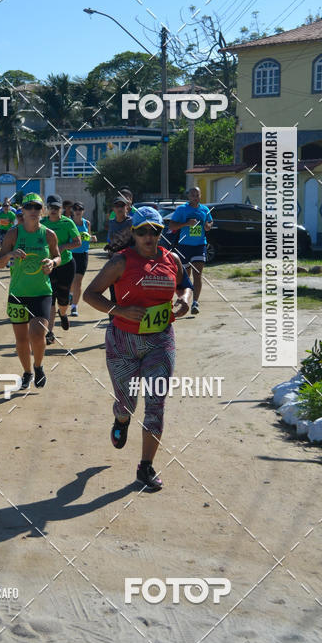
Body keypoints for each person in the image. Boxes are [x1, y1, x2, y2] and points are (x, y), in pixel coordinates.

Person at [84, 207, 191, 492]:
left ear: (161, 232)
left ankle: (146, 467)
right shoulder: (120, 261)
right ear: (133, 233)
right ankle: (121, 418)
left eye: (154, 231)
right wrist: (118, 310)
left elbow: (185, 285)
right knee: (127, 403)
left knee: (156, 404)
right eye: (142, 231)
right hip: (123, 342)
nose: (148, 236)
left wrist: (185, 300)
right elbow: (89, 294)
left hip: (161, 341)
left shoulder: (172, 259)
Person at [0, 193, 60, 389]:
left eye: (37, 207)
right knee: (22, 340)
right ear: (22, 211)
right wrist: (10, 254)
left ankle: (38, 366)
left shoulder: (49, 234)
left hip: (41, 292)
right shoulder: (13, 234)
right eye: (29, 207)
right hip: (18, 293)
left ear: (43, 211)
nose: (33, 210)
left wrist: (52, 263)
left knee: (38, 334)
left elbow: (58, 256)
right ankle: (27, 372)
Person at [167, 187, 213, 314]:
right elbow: (171, 226)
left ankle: (195, 303)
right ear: (188, 196)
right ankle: (184, 300)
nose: (195, 197)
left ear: (200, 195)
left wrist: (208, 226)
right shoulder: (182, 209)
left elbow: (210, 222)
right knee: (185, 277)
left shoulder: (205, 209)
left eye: (197, 195)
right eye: (192, 195)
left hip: (199, 245)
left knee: (198, 274)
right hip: (184, 246)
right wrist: (186, 224)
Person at [43, 194, 81, 344]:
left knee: (63, 299)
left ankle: (63, 314)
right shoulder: (42, 223)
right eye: (51, 207)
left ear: (61, 209)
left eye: (56, 207)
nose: (53, 210)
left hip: (66, 264)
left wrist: (63, 246)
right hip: (49, 266)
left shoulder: (67, 222)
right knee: (50, 298)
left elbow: (78, 242)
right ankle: (49, 332)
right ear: (47, 208)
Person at [70, 202, 92, 316]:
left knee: (78, 281)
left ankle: (74, 307)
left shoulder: (87, 223)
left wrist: (92, 238)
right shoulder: (69, 223)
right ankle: (70, 294)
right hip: (71, 254)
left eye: (80, 209)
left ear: (83, 211)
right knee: (71, 281)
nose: (78, 211)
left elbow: (88, 237)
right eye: (76, 209)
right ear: (72, 211)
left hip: (83, 254)